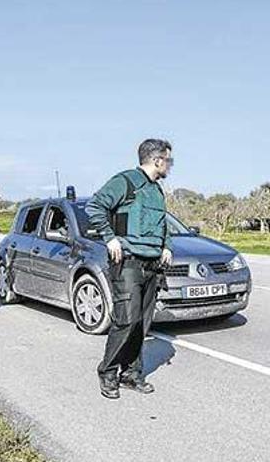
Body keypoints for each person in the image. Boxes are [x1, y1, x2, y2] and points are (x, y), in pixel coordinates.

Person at [86, 138, 174, 399]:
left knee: (142, 324)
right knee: (127, 320)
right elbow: (95, 206)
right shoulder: (125, 182)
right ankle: (108, 372)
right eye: (168, 160)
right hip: (128, 263)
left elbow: (162, 224)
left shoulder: (157, 190)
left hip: (152, 265)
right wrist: (109, 237)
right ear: (157, 160)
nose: (170, 165)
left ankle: (131, 374)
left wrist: (166, 246)